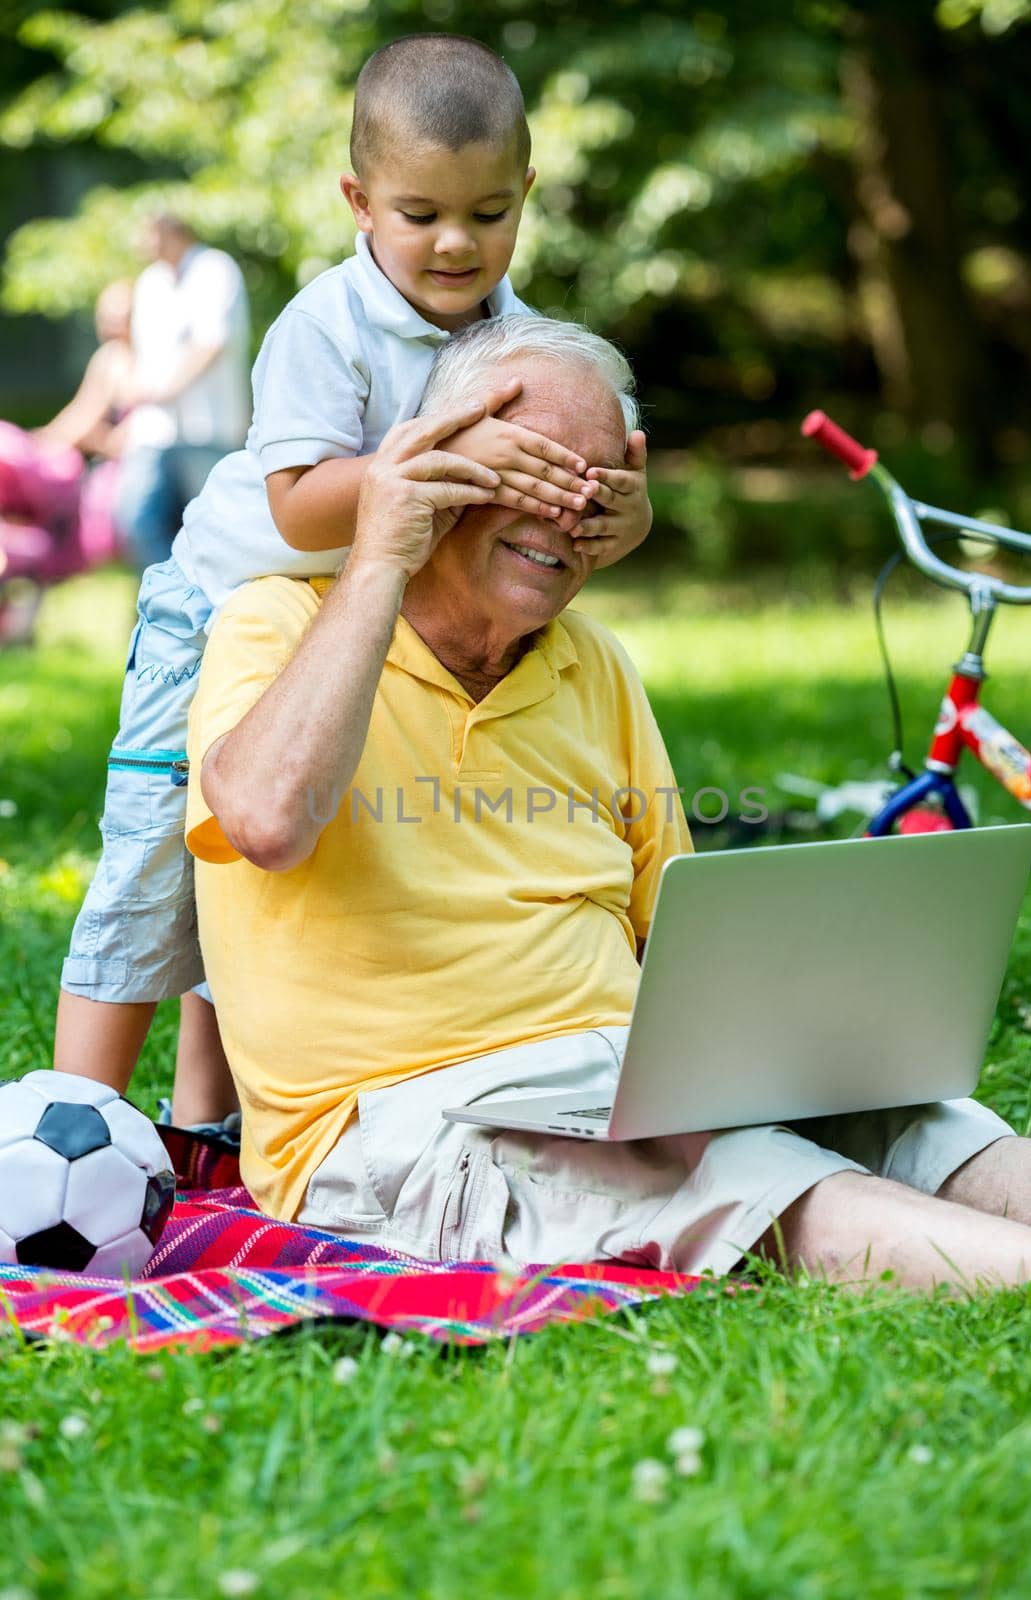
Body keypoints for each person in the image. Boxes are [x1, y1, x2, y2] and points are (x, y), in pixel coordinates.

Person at [183, 315, 1031, 1296]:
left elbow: (672, 939)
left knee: (931, 1129)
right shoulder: (279, 622)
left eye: (597, 485)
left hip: (622, 1082)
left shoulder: (593, 662)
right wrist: (381, 557)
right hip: (409, 1121)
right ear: (436, 466)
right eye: (533, 470)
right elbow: (265, 819)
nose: (566, 512)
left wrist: (779, 1061)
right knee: (746, 1179)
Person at [54, 35, 652, 1142]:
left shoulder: (522, 334)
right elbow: (292, 505)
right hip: (222, 604)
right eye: (420, 212)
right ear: (358, 201)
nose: (456, 241)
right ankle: (67, 1117)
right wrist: (417, 473)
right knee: (153, 854)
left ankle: (203, 1125)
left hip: (363, 623)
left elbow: (590, 465)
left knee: (277, 875)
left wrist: (628, 510)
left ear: (526, 195)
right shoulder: (324, 328)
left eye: (487, 211)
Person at [0, 280, 136, 644]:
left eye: (119, 316)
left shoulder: (143, 356)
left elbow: (94, 423)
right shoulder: (109, 358)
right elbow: (82, 414)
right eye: (104, 316)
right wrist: (39, 443)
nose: (110, 325)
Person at [117, 213, 250, 573]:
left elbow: (212, 342)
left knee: (213, 529)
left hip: (209, 427)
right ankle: (172, 596)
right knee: (135, 519)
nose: (143, 245)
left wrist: (162, 389)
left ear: (171, 232)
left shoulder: (215, 269)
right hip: (155, 430)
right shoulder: (150, 281)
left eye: (148, 235)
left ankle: (211, 609)